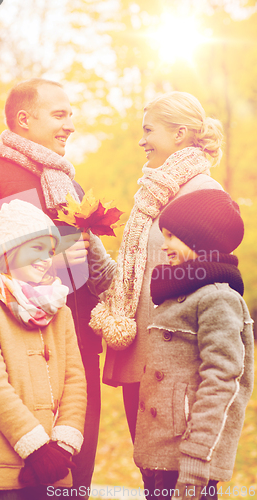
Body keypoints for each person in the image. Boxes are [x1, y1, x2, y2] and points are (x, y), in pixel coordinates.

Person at [0, 78, 116, 498]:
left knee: (73, 486)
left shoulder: (71, 188)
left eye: (71, 115)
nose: (70, 125)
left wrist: (92, 254)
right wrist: (43, 259)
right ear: (24, 119)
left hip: (76, 362)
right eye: (60, 114)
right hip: (14, 360)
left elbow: (99, 280)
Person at [90, 91, 224, 442]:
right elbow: (136, 275)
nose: (141, 140)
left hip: (176, 367)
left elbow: (211, 289)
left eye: (148, 131)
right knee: (152, 481)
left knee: (183, 484)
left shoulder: (203, 193)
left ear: (178, 134)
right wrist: (89, 244)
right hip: (141, 357)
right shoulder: (152, 196)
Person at [0, 200, 87, 500]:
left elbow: (75, 381)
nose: (45, 258)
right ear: (9, 250)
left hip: (53, 465)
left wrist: (61, 446)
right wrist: (36, 447)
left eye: (49, 250)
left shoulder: (60, 309)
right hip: (2, 468)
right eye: (36, 248)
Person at [133, 189, 254, 500]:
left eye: (172, 236)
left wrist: (196, 461)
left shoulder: (218, 298)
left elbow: (223, 382)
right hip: (160, 455)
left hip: (188, 462)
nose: (164, 245)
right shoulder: (176, 293)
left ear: (201, 240)